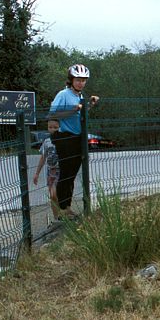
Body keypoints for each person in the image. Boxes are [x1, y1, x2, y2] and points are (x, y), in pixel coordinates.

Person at [48, 64, 100, 218]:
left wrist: (89, 105)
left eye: (84, 80)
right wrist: (74, 109)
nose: (81, 83)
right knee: (66, 173)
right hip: (65, 138)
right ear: (71, 80)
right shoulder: (63, 94)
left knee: (72, 174)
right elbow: (53, 114)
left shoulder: (80, 96)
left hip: (78, 138)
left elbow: (80, 115)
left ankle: (67, 207)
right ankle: (62, 209)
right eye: (78, 80)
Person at [32, 119, 61, 222]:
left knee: (58, 194)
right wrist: (37, 173)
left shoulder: (63, 140)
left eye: (55, 127)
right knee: (52, 195)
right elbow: (43, 158)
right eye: (50, 127)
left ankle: (63, 213)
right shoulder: (47, 142)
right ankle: (56, 217)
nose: (52, 129)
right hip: (51, 172)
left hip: (61, 171)